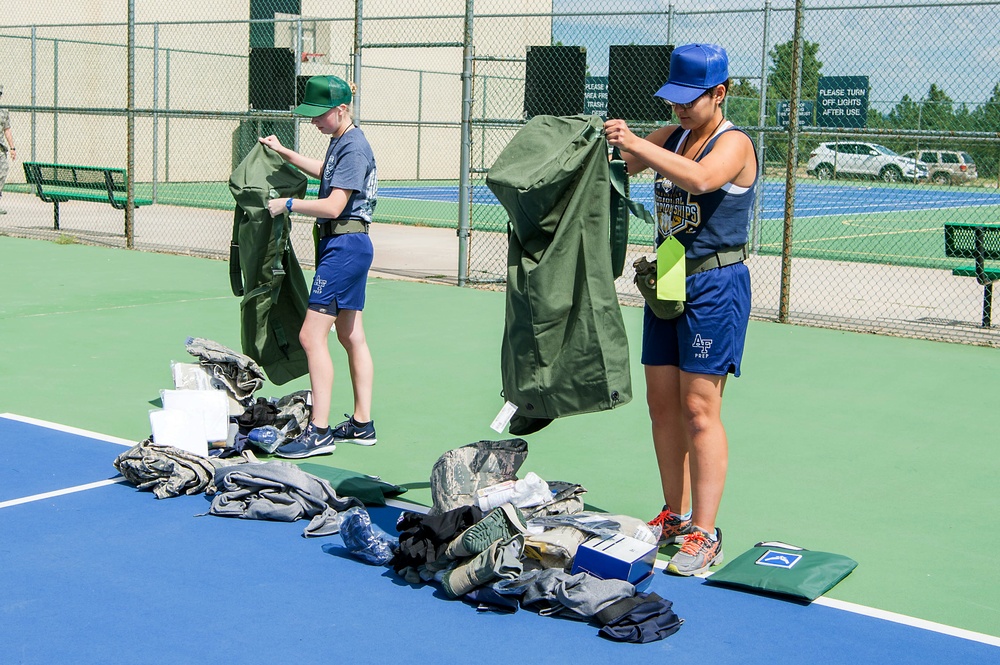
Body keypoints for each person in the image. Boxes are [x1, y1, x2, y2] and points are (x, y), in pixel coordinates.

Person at [603, 43, 757, 576]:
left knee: (699, 410)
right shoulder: (673, 134)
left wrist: (641, 147)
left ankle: (705, 532)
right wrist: (622, 139)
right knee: (662, 405)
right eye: (673, 101)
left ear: (719, 93)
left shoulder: (734, 143)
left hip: (715, 283)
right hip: (666, 280)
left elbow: (700, 180)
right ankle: (674, 512)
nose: (679, 110)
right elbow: (628, 161)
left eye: (690, 101)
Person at [258, 75, 378, 458]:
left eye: (318, 114)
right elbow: (326, 172)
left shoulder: (354, 146)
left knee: (312, 337)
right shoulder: (341, 141)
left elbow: (332, 206)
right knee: (350, 335)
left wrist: (288, 204)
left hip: (344, 246)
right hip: (347, 245)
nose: (313, 121)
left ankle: (319, 431)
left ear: (341, 109)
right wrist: (285, 152)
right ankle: (362, 424)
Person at [0, 85, 18, 215]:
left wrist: (12, 148)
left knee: (2, 173)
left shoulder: (4, 111)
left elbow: (7, 130)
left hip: (0, 148)